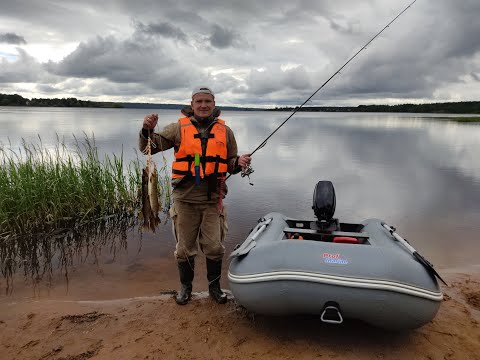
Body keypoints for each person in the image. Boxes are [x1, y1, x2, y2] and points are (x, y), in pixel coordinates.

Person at [139, 86, 251, 305]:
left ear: (214, 104)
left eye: (207, 101)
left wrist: (238, 163)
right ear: (191, 105)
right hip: (184, 199)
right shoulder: (177, 128)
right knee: (184, 248)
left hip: (212, 199)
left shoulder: (225, 131)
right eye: (198, 101)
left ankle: (215, 288)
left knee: (215, 247)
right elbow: (147, 149)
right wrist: (146, 131)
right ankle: (186, 287)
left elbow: (230, 163)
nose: (203, 105)